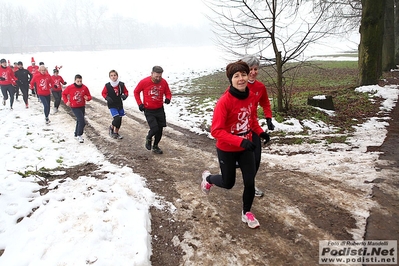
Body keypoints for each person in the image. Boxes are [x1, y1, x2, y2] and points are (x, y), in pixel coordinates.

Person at [201, 60, 270, 229]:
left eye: (244, 75)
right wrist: (240, 141)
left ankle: (246, 212)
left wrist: (260, 132)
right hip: (227, 149)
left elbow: (251, 118)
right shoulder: (224, 102)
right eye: (236, 76)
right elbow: (216, 131)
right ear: (230, 80)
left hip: (245, 148)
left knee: (250, 181)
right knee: (228, 182)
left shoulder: (250, 96)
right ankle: (208, 178)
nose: (241, 79)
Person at [240, 55, 275, 197]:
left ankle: (250, 185)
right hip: (239, 127)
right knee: (237, 159)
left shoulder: (260, 87)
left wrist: (268, 118)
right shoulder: (239, 84)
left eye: (256, 69)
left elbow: (265, 103)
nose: (253, 72)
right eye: (250, 69)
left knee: (256, 158)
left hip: (253, 127)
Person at [134, 66, 172, 154]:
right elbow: (136, 92)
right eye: (156, 76)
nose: (158, 78)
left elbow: (168, 92)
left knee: (160, 129)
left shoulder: (163, 82)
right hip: (148, 110)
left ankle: (155, 146)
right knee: (154, 128)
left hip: (159, 109)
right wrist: (140, 104)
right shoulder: (144, 82)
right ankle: (149, 137)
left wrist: (168, 98)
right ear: (152, 74)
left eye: (160, 76)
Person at [62, 74, 92, 143]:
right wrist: (66, 101)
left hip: (82, 106)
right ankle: (79, 135)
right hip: (74, 106)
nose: (79, 83)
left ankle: (76, 134)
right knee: (82, 121)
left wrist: (88, 98)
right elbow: (64, 94)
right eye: (78, 81)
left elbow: (89, 96)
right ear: (75, 81)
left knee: (79, 120)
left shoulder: (84, 88)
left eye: (80, 81)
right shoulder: (70, 87)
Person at [102, 70, 129, 139]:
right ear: (109, 77)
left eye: (114, 75)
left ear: (117, 76)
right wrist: (107, 98)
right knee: (116, 118)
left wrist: (125, 96)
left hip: (119, 104)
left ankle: (116, 132)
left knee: (119, 119)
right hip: (112, 104)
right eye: (111, 75)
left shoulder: (121, 84)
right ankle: (111, 127)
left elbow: (126, 91)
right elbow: (103, 93)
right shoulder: (107, 85)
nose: (113, 77)